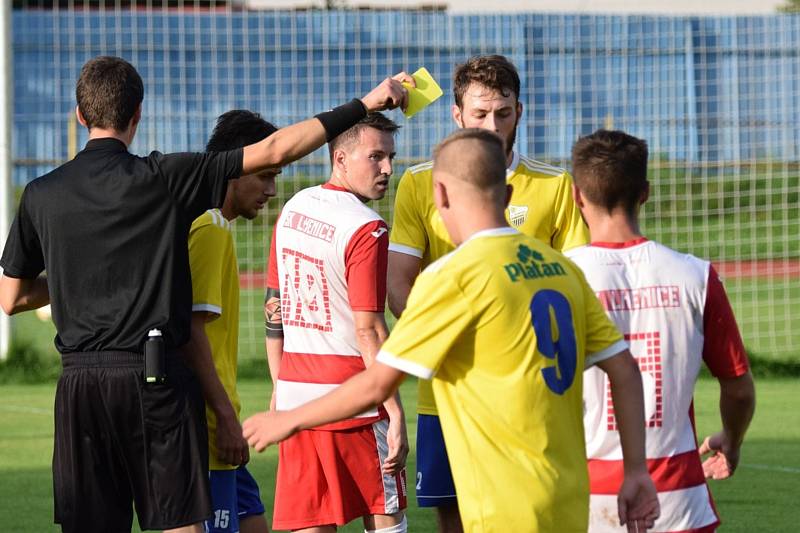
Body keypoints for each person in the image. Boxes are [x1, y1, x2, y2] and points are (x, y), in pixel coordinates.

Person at [0, 55, 412, 533]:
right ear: (137, 115)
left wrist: (82, 278)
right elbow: (276, 148)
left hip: (79, 388)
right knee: (182, 525)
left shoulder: (39, 193)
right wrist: (366, 102)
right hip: (154, 378)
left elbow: (12, 297)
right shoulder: (164, 177)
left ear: (78, 114)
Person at [245, 128, 661, 533]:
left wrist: (290, 419)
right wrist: (637, 470)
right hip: (568, 500)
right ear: (509, 194)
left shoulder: (452, 278)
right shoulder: (563, 269)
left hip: (500, 508)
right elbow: (625, 371)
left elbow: (376, 384)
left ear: (439, 195)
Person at [386, 54, 588, 532]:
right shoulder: (419, 183)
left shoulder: (555, 186)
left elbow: (582, 283)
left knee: (533, 514)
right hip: (448, 391)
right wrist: (440, 345)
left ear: (520, 111)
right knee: (453, 516)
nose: (492, 124)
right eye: (479, 114)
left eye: (502, 112)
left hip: (531, 392)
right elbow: (399, 281)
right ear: (457, 115)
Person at [565, 129, 756, 533]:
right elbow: (737, 388)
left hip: (581, 493)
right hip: (676, 495)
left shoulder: (559, 276)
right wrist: (732, 441)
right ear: (645, 193)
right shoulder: (695, 275)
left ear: (577, 195)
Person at [262, 112, 408, 533]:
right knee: (385, 519)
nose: (387, 169)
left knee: (313, 523)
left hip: (298, 401)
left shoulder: (293, 208)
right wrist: (394, 408)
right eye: (376, 156)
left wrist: (280, 386)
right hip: (355, 403)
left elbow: (275, 308)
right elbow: (370, 329)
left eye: (390, 157)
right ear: (339, 158)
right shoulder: (367, 227)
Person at [185, 110, 283, 533]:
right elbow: (192, 333)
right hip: (208, 430)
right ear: (235, 167)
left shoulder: (211, 223)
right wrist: (225, 418)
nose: (272, 190)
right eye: (265, 176)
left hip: (221, 428)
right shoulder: (209, 229)